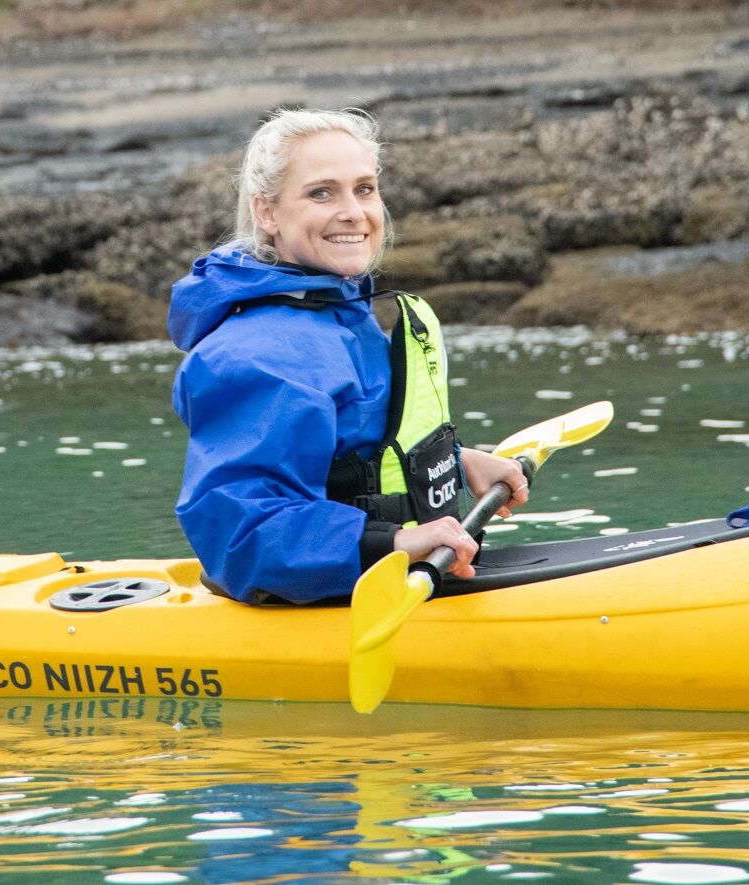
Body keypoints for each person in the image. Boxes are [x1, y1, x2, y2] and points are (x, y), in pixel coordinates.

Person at [169, 107, 530, 604]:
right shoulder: (254, 352)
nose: (354, 212)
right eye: (321, 192)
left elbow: (353, 454)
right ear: (267, 213)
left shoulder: (340, 310)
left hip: (404, 574)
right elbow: (239, 534)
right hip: (322, 595)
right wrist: (397, 542)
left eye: (365, 189)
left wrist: (457, 461)